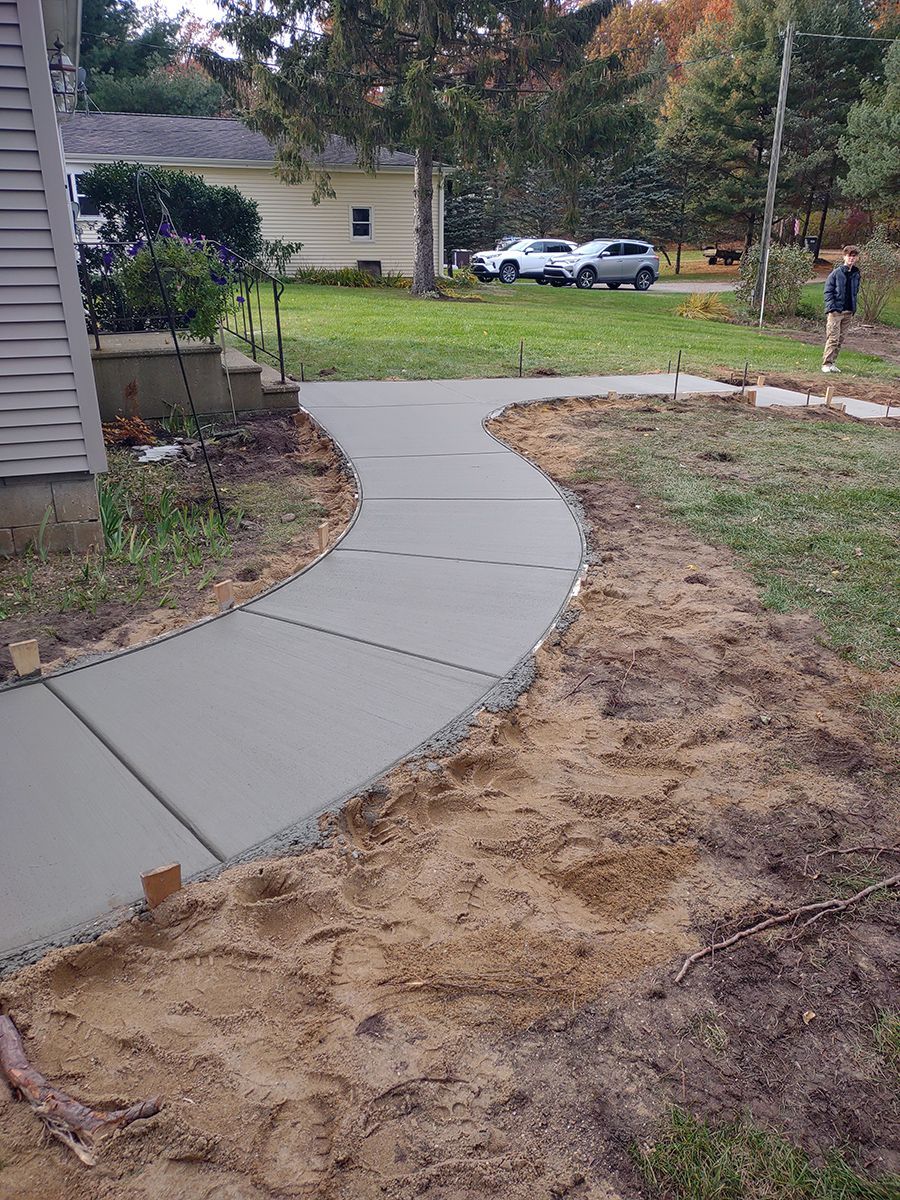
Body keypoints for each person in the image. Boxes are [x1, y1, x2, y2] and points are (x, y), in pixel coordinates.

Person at [822, 246, 861, 373]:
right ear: (844, 257)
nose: (851, 258)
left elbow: (855, 291)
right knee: (833, 338)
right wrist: (832, 307)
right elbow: (828, 291)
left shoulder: (856, 273)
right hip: (836, 311)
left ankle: (832, 362)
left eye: (854, 256)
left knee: (840, 339)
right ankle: (826, 364)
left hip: (848, 312)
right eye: (849, 256)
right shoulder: (836, 273)